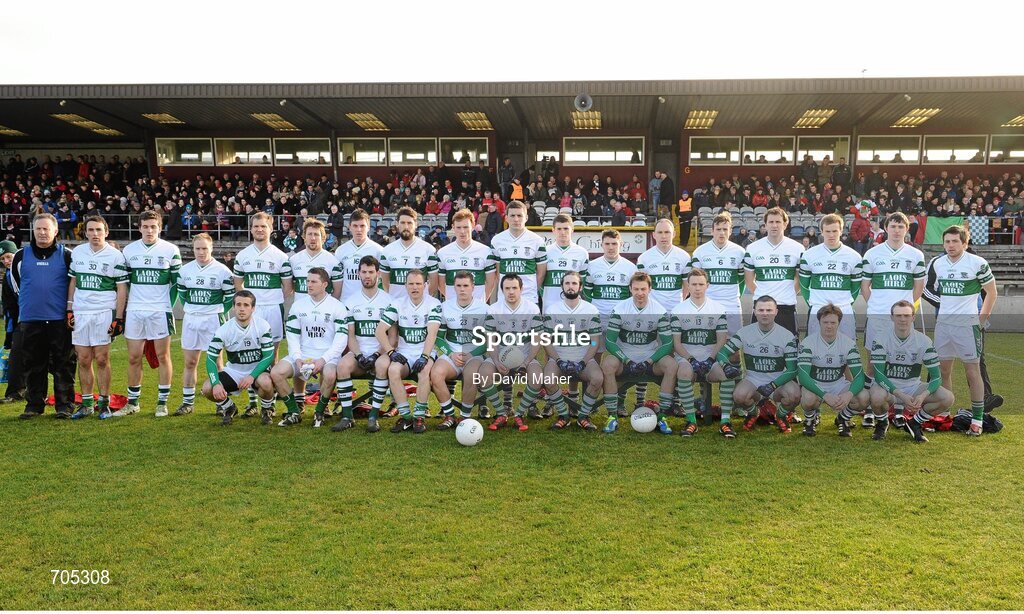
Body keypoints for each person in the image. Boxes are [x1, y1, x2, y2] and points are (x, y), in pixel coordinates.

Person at [928, 225, 997, 437]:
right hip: (944, 325)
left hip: (967, 326)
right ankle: (945, 415)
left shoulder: (977, 263)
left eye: (955, 241)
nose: (950, 245)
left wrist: (981, 320)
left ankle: (977, 419)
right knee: (943, 371)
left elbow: (992, 293)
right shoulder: (938, 264)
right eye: (947, 241)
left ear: (965, 243)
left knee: (972, 371)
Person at [860, 212, 926, 429]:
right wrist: (877, 305)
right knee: (873, 363)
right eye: (893, 226)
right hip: (878, 316)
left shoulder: (915, 255)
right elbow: (865, 287)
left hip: (903, 318)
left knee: (901, 361)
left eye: (901, 226)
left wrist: (905, 308)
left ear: (906, 230)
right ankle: (870, 409)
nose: (897, 230)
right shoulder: (872, 254)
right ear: (886, 228)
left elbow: (918, 287)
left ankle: (898, 411)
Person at [12, 214, 76, 419]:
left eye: (46, 229)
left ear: (55, 231)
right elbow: (16, 284)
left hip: (59, 320)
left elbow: (73, 285)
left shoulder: (67, 255)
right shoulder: (21, 256)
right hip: (31, 320)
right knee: (33, 363)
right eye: (38, 229)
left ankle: (64, 405)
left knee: (63, 363)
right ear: (33, 230)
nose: (41, 232)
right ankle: (34, 405)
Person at [119, 210, 182, 417]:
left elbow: (176, 284)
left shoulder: (171, 250)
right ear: (139, 228)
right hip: (135, 311)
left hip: (160, 311)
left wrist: (166, 305)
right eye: (145, 226)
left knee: (163, 356)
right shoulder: (129, 251)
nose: (149, 230)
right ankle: (133, 402)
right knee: (134, 357)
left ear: (160, 227)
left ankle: (162, 402)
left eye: (153, 226)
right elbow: (125, 283)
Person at [67, 216, 128, 420]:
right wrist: (69, 308)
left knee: (102, 359)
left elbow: (121, 288)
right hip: (81, 312)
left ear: (106, 232)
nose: (95, 234)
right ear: (85, 232)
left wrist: (119, 318)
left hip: (104, 312)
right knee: (83, 359)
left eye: (98, 230)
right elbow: (73, 281)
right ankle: (86, 404)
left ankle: (104, 403)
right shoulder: (78, 252)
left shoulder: (115, 256)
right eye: (91, 230)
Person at [233, 211, 294, 415]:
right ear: (251, 229)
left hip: (272, 309)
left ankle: (270, 403)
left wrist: (270, 300)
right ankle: (252, 402)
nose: (260, 229)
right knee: (249, 353)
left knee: (272, 355)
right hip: (251, 311)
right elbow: (238, 284)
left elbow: (287, 288)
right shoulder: (243, 256)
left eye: (264, 226)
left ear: (271, 229)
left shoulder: (280, 256)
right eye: (256, 226)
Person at [600, 272, 676, 434]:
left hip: (649, 358)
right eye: (636, 289)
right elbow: (610, 342)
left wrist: (649, 360)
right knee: (607, 364)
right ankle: (612, 416)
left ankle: (662, 416)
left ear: (650, 289)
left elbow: (668, 343)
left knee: (671, 364)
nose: (639, 293)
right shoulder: (620, 309)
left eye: (643, 289)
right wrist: (626, 360)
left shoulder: (659, 310)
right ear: (630, 289)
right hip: (625, 358)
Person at [273, 268, 349, 429]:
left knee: (329, 374)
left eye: (313, 281)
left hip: (327, 356)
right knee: (276, 372)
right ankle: (294, 412)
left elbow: (341, 339)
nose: (309, 285)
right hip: (303, 354)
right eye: (307, 281)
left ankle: (319, 411)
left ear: (325, 284)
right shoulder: (298, 305)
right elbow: (292, 336)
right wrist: (297, 358)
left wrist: (323, 359)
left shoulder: (337, 307)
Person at [869, 300, 953, 443]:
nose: (903, 319)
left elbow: (936, 377)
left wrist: (922, 396)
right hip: (888, 389)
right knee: (876, 396)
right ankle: (882, 423)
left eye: (907, 316)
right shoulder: (881, 339)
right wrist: (901, 395)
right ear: (892, 317)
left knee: (947, 398)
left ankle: (914, 423)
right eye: (898, 315)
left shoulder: (924, 341)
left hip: (913, 387)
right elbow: (879, 375)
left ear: (913, 318)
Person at [715, 295, 800, 433]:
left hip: (777, 380)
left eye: (769, 310)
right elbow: (722, 353)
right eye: (761, 310)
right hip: (753, 380)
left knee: (795, 394)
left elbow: (792, 370)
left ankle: (781, 415)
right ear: (754, 311)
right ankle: (754, 412)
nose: (765, 313)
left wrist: (773, 384)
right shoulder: (744, 332)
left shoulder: (787, 335)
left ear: (776, 312)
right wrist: (726, 365)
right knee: (738, 396)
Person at [332, 256, 393, 433]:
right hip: (359, 352)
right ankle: (347, 416)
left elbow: (392, 337)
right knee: (342, 366)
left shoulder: (388, 301)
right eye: (364, 272)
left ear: (378, 274)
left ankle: (373, 417)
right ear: (358, 273)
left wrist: (376, 355)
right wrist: (358, 355)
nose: (367, 276)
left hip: (380, 353)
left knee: (381, 365)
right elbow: (350, 336)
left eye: (371, 272)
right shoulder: (350, 301)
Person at [176, 233, 235, 416]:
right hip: (191, 319)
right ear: (193, 249)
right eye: (197, 248)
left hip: (213, 320)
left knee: (217, 362)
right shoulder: (185, 271)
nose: (201, 252)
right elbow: (183, 295)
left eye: (204, 248)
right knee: (190, 362)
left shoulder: (223, 271)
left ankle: (221, 401)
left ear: (211, 248)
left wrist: (217, 311)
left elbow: (230, 297)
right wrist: (193, 309)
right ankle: (187, 403)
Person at [671, 269, 734, 437]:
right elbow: (676, 343)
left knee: (726, 375)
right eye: (693, 284)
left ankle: (725, 422)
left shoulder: (718, 308)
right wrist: (691, 359)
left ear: (708, 285)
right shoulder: (678, 309)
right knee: (684, 372)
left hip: (710, 356)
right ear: (688, 286)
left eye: (701, 284)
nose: (697, 288)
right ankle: (691, 421)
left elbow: (721, 339)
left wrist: (710, 358)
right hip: (686, 357)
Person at [380, 269, 441, 434]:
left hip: (425, 351)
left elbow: (432, 333)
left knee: (425, 371)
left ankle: (419, 417)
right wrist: (391, 352)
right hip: (404, 352)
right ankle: (406, 417)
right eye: (411, 284)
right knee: (393, 370)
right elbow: (379, 331)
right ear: (405, 286)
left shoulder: (433, 303)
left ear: (425, 285)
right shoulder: (397, 303)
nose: (415, 287)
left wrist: (425, 356)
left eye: (418, 284)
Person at [478, 273, 542, 431]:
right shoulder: (494, 309)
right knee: (483, 374)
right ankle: (501, 413)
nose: (511, 292)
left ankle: (519, 414)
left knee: (536, 376)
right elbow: (491, 341)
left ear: (521, 289)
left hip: (525, 356)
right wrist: (496, 360)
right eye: (507, 288)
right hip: (501, 356)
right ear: (502, 290)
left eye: (514, 288)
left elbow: (536, 340)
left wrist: (526, 362)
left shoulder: (532, 308)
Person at [203, 291, 275, 426]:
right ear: (234, 307)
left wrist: (252, 376)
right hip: (234, 371)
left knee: (266, 382)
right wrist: (215, 383)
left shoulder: (262, 325)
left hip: (257, 370)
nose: (242, 308)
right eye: (238, 304)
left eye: (246, 305)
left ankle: (267, 409)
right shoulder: (223, 330)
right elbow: (210, 359)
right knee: (207, 388)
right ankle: (229, 407)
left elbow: (269, 356)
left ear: (253, 308)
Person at [543, 270, 603, 430]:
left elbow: (594, 342)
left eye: (574, 283)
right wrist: (558, 360)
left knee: (597, 378)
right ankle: (563, 414)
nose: (570, 287)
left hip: (583, 358)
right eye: (567, 283)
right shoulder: (552, 310)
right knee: (547, 379)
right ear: (562, 286)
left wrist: (584, 362)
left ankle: (583, 415)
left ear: (580, 287)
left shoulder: (591, 310)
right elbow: (547, 341)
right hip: (559, 357)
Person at [430, 271, 490, 430]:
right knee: (436, 374)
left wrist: (472, 354)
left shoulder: (484, 308)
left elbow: (489, 340)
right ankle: (449, 415)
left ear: (473, 287)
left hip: (474, 354)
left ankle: (464, 417)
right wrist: (450, 353)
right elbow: (438, 338)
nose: (462, 289)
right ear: (453, 288)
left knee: (471, 374)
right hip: (452, 352)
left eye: (465, 286)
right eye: (458, 286)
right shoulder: (444, 307)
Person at [797, 305, 869, 438]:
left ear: (839, 323)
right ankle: (810, 419)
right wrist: (825, 395)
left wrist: (848, 394)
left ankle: (843, 418)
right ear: (819, 322)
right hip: (815, 383)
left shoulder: (849, 343)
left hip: (838, 384)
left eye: (833, 322)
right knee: (808, 398)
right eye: (825, 322)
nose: (829, 326)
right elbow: (803, 377)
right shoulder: (808, 343)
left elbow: (859, 376)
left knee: (863, 397)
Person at [798, 214, 864, 339]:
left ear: (841, 231)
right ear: (821, 232)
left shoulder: (854, 257)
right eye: (827, 231)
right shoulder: (809, 255)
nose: (831, 235)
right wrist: (813, 304)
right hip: (818, 309)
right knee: (816, 350)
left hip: (844, 309)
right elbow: (804, 285)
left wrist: (845, 304)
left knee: (846, 349)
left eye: (835, 231)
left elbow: (856, 287)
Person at [743, 207, 804, 336]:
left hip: (786, 306)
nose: (774, 225)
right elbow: (749, 281)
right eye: (771, 222)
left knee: (789, 349)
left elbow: (800, 280)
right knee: (758, 347)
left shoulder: (797, 248)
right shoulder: (753, 248)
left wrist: (787, 294)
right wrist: (763, 297)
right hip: (761, 308)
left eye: (778, 222)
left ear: (785, 224)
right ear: (765, 225)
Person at [689, 211, 746, 335]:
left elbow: (742, 280)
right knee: (708, 343)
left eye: (725, 229)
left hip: (732, 304)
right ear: (712, 231)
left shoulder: (739, 252)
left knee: (734, 344)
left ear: (730, 231)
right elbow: (695, 283)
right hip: (708, 304)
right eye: (718, 229)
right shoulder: (700, 252)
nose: (722, 232)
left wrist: (735, 297)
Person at [489, 201, 546, 304]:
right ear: (506, 218)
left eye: (519, 215)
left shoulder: (537, 240)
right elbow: (497, 273)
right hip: (504, 300)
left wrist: (530, 290)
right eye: (512, 215)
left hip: (529, 299)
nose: (516, 219)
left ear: (526, 218)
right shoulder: (497, 240)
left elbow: (541, 273)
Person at [435, 208, 496, 302]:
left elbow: (490, 283)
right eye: (458, 227)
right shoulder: (442, 253)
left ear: (473, 226)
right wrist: (453, 301)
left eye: (466, 227)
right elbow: (441, 284)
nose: (462, 231)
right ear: (453, 227)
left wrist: (479, 302)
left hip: (477, 310)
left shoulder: (486, 252)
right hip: (452, 310)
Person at [379, 207, 439, 301]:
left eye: (409, 223)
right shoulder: (387, 251)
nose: (406, 227)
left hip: (420, 306)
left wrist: (423, 300)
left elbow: (434, 284)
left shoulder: (428, 250)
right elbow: (385, 284)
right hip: (396, 306)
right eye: (402, 223)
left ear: (416, 224)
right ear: (397, 224)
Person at [637, 219, 691, 312]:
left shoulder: (684, 257)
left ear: (674, 234)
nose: (663, 236)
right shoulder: (644, 259)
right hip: (652, 311)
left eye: (667, 232)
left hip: (676, 311)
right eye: (660, 232)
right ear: (654, 235)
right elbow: (640, 288)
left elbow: (687, 286)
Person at [540, 214, 590, 309]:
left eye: (566, 228)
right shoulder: (545, 251)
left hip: (573, 306)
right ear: (553, 230)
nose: (563, 232)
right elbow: (540, 279)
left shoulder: (582, 253)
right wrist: (545, 296)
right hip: (550, 305)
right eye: (559, 229)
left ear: (572, 230)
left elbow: (582, 282)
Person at [334, 208, 383, 304]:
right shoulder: (340, 251)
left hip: (370, 303)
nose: (359, 230)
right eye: (355, 226)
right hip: (346, 303)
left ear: (368, 227)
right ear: (349, 227)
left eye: (362, 226)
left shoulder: (378, 251)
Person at [290, 218, 343, 298]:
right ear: (304, 237)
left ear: (323, 238)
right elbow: (290, 288)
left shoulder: (334, 262)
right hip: (300, 310)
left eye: (316, 234)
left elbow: (337, 292)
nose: (313, 238)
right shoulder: (293, 260)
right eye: (309, 234)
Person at [0, 240, 25, 404]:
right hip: (22, 322)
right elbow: (9, 308)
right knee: (16, 355)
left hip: (44, 317)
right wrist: (9, 335)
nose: (6, 261)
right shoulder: (7, 278)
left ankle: (64, 395)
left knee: (54, 360)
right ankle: (16, 392)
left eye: (8, 256)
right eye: (2, 259)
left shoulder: (26, 269)